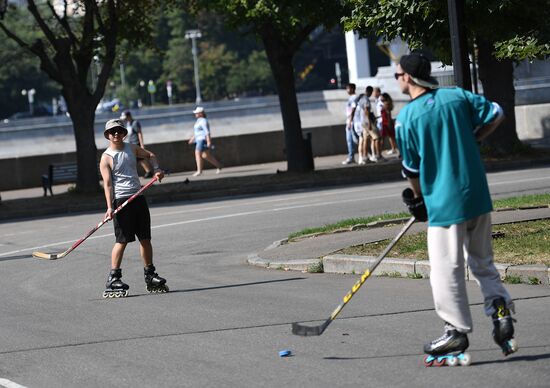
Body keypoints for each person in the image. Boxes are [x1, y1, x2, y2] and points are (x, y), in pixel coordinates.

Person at [395, 52, 517, 363]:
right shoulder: (456, 96)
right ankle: (500, 309)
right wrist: (475, 137)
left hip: (444, 203)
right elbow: (495, 113)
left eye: (398, 75)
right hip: (476, 194)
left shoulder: (408, 118)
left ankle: (455, 331)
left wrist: (418, 200)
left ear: (408, 78)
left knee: (445, 269)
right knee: (482, 261)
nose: (397, 79)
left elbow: (412, 169)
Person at [99, 119, 169, 298]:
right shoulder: (106, 158)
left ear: (124, 133)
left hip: (138, 198)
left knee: (145, 238)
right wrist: (109, 208)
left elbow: (151, 155)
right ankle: (113, 277)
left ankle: (150, 274)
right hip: (122, 201)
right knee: (122, 240)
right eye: (112, 131)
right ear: (107, 135)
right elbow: (107, 185)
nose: (116, 134)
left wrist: (157, 169)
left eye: (119, 131)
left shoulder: (131, 148)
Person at [188, 106, 223, 176]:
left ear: (200, 113)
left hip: (202, 139)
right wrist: (193, 138)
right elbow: (197, 132)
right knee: (205, 156)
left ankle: (199, 171)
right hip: (198, 139)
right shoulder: (199, 121)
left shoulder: (203, 121)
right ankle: (219, 166)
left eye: (196, 113)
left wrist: (209, 141)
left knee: (197, 154)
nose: (195, 114)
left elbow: (207, 132)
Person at [120, 110, 154, 178]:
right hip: (131, 144)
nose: (125, 119)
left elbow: (139, 133)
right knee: (140, 159)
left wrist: (141, 144)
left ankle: (149, 172)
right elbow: (128, 133)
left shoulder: (135, 123)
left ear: (129, 116)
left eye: (125, 118)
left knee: (140, 159)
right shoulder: (128, 123)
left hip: (136, 143)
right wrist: (122, 139)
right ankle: (148, 171)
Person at [343, 83, 359, 164]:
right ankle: (351, 157)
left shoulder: (354, 98)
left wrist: (350, 121)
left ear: (352, 89)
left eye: (348, 88)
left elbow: (353, 109)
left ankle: (368, 153)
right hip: (350, 121)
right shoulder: (351, 98)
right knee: (351, 140)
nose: (347, 90)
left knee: (355, 140)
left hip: (352, 122)